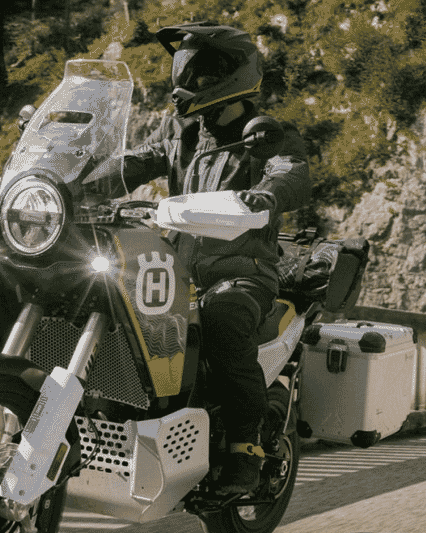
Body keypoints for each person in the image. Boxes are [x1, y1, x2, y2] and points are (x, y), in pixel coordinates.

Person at [122, 21, 311, 495]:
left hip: (242, 273)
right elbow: (132, 163)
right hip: (176, 271)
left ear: (234, 73)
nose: (190, 80)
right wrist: (74, 175)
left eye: (202, 71)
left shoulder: (269, 134)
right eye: (186, 67)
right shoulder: (182, 134)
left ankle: (245, 448)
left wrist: (267, 195)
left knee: (222, 320)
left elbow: (288, 170)